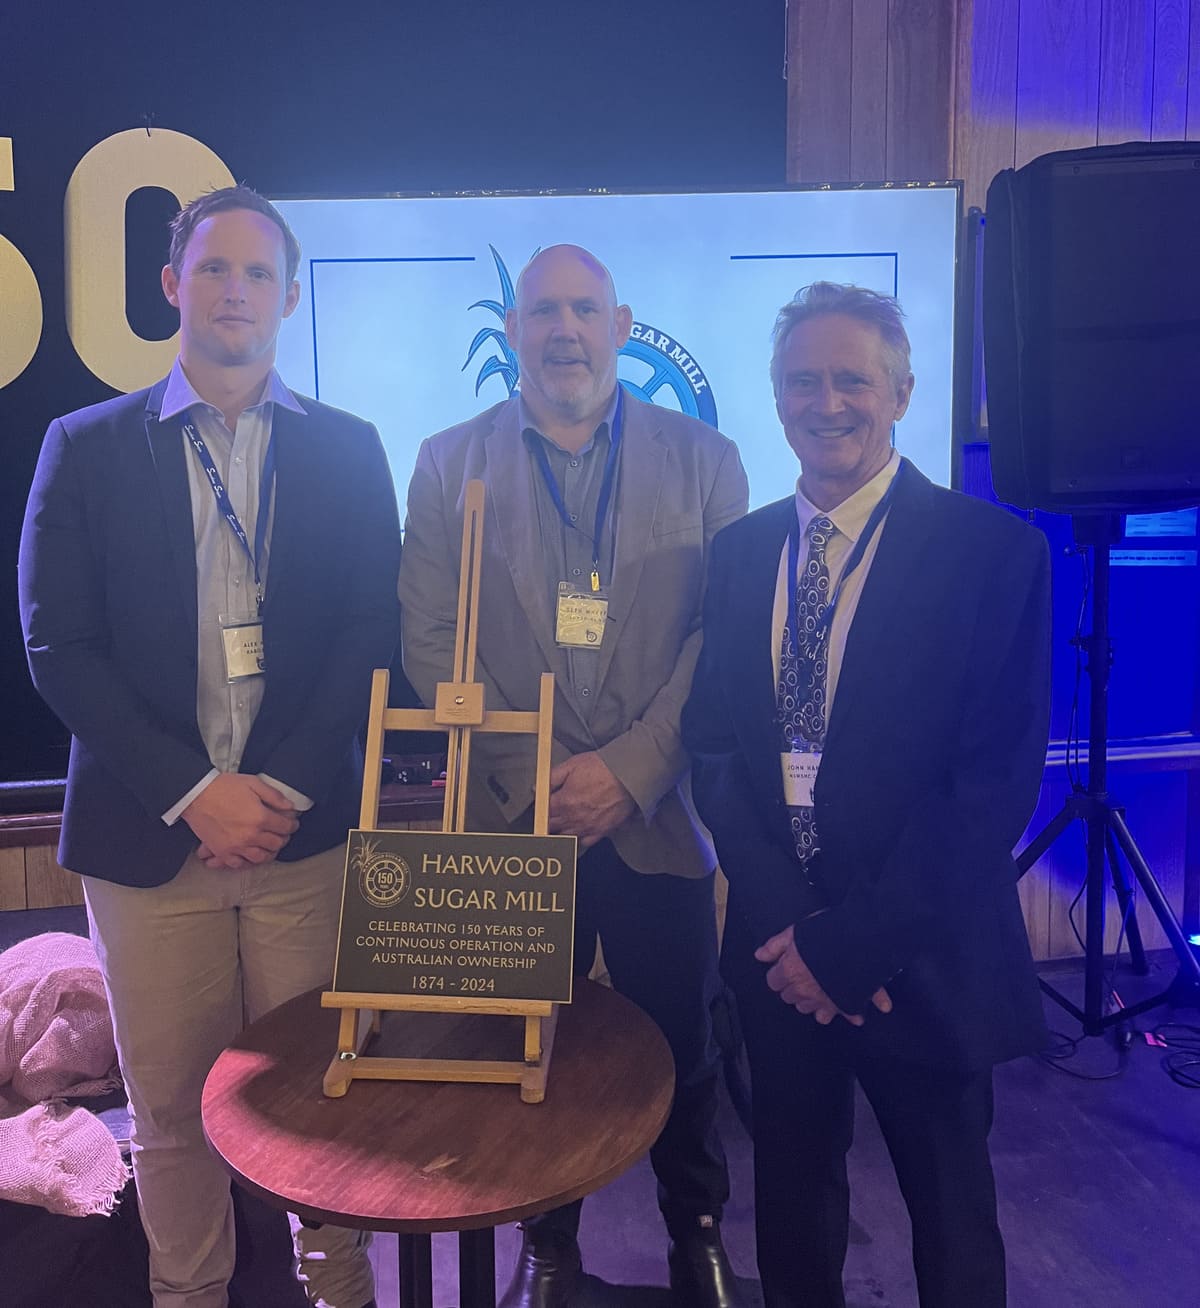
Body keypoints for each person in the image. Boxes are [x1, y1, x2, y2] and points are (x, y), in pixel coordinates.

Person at [18, 185, 401, 1308]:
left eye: (259, 273)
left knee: (319, 1097)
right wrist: (197, 793)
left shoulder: (348, 448)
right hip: (148, 848)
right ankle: (188, 1296)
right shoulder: (82, 449)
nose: (237, 290)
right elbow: (59, 646)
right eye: (215, 268)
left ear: (289, 297)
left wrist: (272, 787)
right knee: (174, 1114)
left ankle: (338, 1293)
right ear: (172, 285)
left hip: (301, 837)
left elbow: (369, 633)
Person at [681, 282, 1052, 1308]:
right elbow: (715, 749)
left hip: (919, 958)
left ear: (900, 391)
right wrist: (793, 935)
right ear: (776, 395)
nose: (828, 400)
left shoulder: (993, 556)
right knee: (792, 1212)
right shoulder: (740, 551)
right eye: (806, 379)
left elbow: (991, 788)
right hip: (775, 957)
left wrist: (848, 950)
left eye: (854, 378)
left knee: (952, 1222)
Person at [398, 244, 748, 1308]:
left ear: (622, 322)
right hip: (519, 819)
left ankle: (696, 1231)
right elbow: (429, 641)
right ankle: (548, 1242)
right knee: (525, 1042)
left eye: (584, 308)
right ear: (512, 331)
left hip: (657, 814)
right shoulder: (445, 460)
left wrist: (631, 769)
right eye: (542, 310)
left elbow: (720, 641)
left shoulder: (709, 459)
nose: (564, 329)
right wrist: (542, 773)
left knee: (680, 1043)